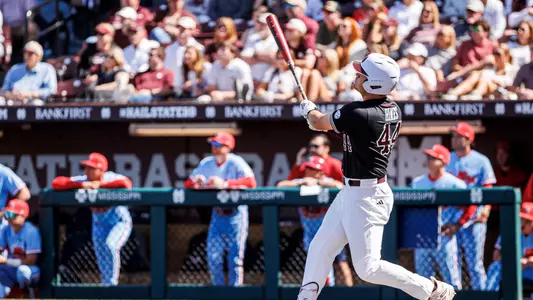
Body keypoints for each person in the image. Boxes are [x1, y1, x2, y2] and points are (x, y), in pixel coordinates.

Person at [297, 53, 456, 300]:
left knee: (368, 268)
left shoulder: (358, 112)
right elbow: (353, 134)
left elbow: (318, 122)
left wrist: (309, 110)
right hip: (353, 192)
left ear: (374, 83)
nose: (356, 75)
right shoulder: (390, 108)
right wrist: (316, 118)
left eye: (362, 74)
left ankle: (432, 290)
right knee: (320, 249)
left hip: (367, 197)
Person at [184, 132, 257, 286]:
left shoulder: (236, 162)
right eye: (213, 145)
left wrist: (224, 184)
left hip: (236, 214)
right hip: (217, 215)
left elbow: (251, 182)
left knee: (235, 259)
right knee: (213, 257)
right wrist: (196, 182)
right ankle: (219, 292)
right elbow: (188, 183)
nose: (214, 148)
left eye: (218, 145)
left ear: (228, 147)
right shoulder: (207, 163)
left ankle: (235, 294)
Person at [51, 153, 133, 286]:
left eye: (91, 168)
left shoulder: (110, 177)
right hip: (99, 224)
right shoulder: (84, 180)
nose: (87, 171)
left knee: (111, 245)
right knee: (101, 256)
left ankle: (112, 285)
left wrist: (99, 185)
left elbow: (126, 183)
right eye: (86, 168)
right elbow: (56, 183)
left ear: (101, 170)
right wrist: (84, 185)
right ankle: (106, 286)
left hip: (119, 222)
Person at [277, 156, 345, 287]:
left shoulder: (327, 181)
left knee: (327, 262)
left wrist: (319, 183)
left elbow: (339, 185)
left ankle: (327, 290)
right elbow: (281, 185)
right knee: (314, 264)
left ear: (321, 172)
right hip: (309, 233)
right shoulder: (302, 181)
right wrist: (301, 182)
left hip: (328, 232)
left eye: (312, 169)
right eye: (307, 168)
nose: (308, 172)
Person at [446, 121, 496, 290]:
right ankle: (455, 295)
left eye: (458, 136)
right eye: (454, 136)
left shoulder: (481, 161)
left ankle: (481, 296)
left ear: (468, 139)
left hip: (473, 219)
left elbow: (488, 187)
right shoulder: (447, 159)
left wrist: (487, 209)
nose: (454, 139)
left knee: (475, 264)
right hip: (451, 218)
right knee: (454, 263)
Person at [411, 144, 466, 291]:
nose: (429, 160)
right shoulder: (418, 182)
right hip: (423, 236)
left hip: (444, 235)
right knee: (423, 280)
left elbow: (471, 206)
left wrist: (458, 224)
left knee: (451, 279)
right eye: (428, 157)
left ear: (443, 161)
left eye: (433, 158)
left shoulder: (455, 184)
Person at [486, 202, 533, 296]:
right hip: (511, 269)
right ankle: (490, 297)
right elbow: (496, 255)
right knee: (495, 267)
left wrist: (527, 261)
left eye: (527, 221)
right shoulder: (510, 231)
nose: (523, 223)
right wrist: (512, 263)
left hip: (529, 270)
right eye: (522, 219)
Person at [0, 199, 41, 298]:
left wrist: (6, 261)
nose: (9, 218)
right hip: (11, 269)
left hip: (30, 270)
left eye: (13, 215)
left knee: (23, 272)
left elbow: (31, 260)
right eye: (8, 214)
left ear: (23, 215)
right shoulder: (6, 229)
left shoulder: (31, 231)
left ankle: (26, 293)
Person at [1, 41, 57, 106]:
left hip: (36, 102)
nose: (26, 56)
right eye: (25, 52)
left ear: (39, 57)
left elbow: (51, 91)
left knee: (36, 103)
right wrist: (10, 95)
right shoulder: (14, 69)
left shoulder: (47, 69)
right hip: (14, 102)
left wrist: (29, 94)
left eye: (30, 53)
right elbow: (4, 90)